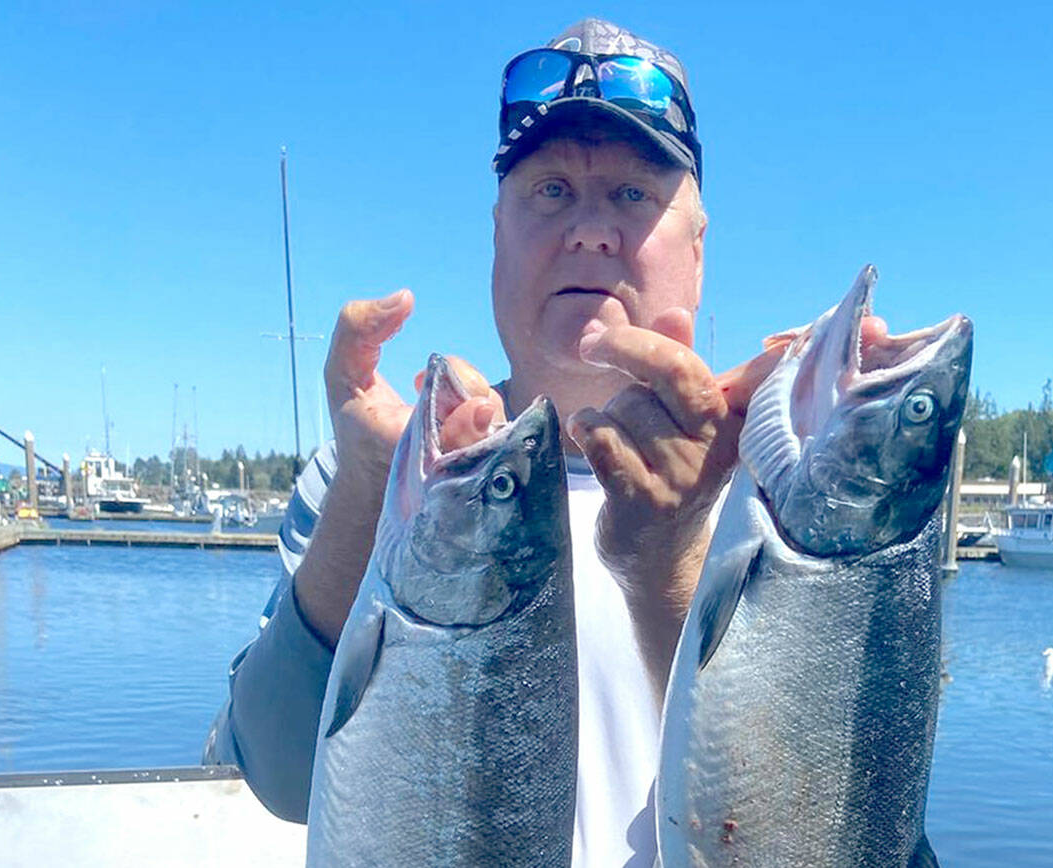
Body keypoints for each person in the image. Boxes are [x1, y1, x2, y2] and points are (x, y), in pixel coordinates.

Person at [206, 17, 886, 865]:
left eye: (635, 194)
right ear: (497, 234)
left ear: (698, 248)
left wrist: (668, 564)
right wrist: (362, 490)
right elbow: (274, 772)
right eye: (551, 191)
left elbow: (830, 821)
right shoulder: (393, 465)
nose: (591, 229)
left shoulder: (788, 495)